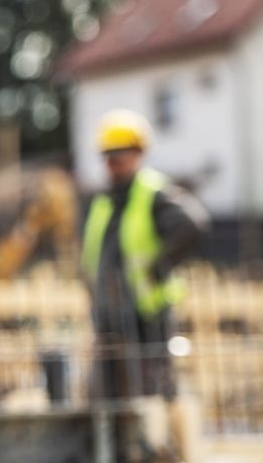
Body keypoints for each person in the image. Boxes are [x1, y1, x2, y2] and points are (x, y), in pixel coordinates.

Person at [81, 109, 208, 402]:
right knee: (109, 394)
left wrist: (159, 266)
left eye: (118, 157)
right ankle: (116, 445)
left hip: (145, 313)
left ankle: (156, 443)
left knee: (152, 391)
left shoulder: (152, 192)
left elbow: (193, 223)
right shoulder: (106, 200)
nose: (112, 165)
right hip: (109, 314)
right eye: (107, 158)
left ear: (138, 154)